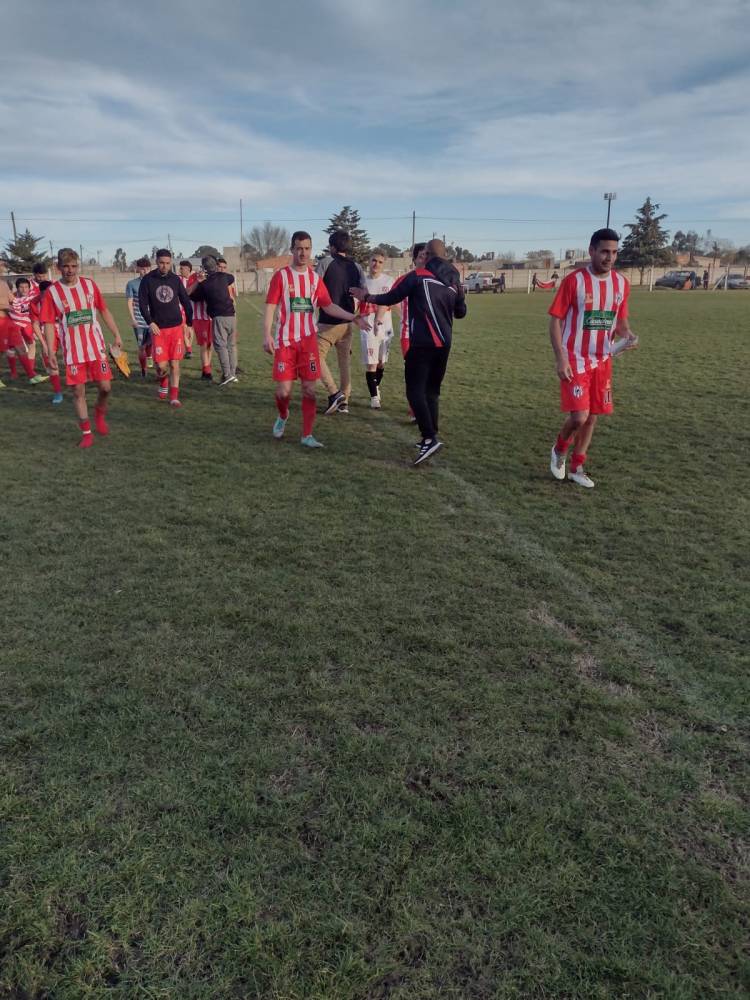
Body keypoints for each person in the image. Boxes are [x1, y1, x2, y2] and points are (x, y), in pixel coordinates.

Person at [350, 238, 466, 466]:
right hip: (444, 344)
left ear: (428, 255)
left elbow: (390, 298)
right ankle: (431, 435)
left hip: (422, 343)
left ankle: (429, 438)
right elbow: (461, 312)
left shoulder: (418, 276)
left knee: (415, 391)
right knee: (432, 391)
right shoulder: (454, 281)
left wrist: (365, 296)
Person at [548, 228, 637, 489]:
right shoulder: (574, 281)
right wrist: (560, 358)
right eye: (605, 251)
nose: (610, 257)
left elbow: (620, 322)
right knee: (579, 416)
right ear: (592, 251)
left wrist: (628, 336)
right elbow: (555, 321)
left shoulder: (621, 284)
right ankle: (559, 449)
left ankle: (577, 467)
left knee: (592, 417)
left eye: (614, 252)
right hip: (575, 359)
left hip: (603, 361)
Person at [263, 231, 367, 448]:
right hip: (286, 342)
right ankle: (283, 415)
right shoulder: (281, 276)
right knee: (283, 392)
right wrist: (267, 335)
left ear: (311, 250)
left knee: (309, 390)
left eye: (307, 248)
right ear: (292, 250)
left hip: (308, 342)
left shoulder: (314, 279)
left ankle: (307, 435)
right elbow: (271, 306)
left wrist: (353, 317)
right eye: (299, 248)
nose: (303, 253)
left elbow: (328, 305)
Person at [41, 248, 123, 448]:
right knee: (78, 392)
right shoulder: (52, 292)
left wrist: (117, 334)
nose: (70, 270)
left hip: (96, 348)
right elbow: (49, 323)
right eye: (66, 266)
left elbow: (103, 310)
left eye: (73, 266)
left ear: (78, 266)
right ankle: (87, 433)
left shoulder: (89, 285)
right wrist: (51, 351)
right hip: (73, 352)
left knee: (106, 387)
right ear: (58, 267)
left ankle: (99, 413)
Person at [315, 230, 366, 414]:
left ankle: (334, 393)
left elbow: (314, 286)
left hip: (328, 321)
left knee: (314, 356)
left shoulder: (325, 262)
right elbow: (363, 292)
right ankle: (345, 400)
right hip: (347, 321)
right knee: (344, 362)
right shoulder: (357, 267)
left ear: (332, 247)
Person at [138, 248, 193, 407]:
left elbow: (186, 301)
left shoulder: (175, 280)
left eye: (168, 263)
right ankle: (163, 382)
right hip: (158, 329)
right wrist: (150, 322)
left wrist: (189, 324)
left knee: (174, 364)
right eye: (161, 263)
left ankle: (174, 397)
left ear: (171, 263)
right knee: (161, 367)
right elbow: (142, 304)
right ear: (156, 262)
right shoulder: (148, 280)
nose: (164, 266)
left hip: (175, 327)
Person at [391, 242, 427, 422]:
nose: (424, 259)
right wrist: (403, 316)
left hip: (430, 336)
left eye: (427, 256)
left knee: (428, 373)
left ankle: (425, 408)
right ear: (414, 259)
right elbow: (390, 298)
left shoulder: (434, 279)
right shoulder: (405, 279)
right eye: (421, 256)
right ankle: (415, 411)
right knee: (414, 373)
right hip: (408, 336)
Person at [189, 256, 237, 386]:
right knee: (231, 345)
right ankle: (232, 373)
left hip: (218, 317)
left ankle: (227, 374)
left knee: (220, 346)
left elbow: (193, 296)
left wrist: (199, 281)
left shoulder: (205, 284)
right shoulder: (224, 277)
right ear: (216, 266)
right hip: (231, 315)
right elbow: (231, 278)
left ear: (204, 268)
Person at [359, 251, 395, 408]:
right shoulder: (362, 282)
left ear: (383, 264)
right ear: (369, 261)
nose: (376, 264)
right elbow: (356, 302)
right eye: (374, 260)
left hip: (385, 327)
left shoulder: (389, 281)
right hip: (367, 326)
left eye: (380, 262)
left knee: (381, 363)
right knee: (371, 363)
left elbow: (386, 303)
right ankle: (374, 398)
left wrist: (379, 320)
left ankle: (376, 386)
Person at [0, 275, 48, 386]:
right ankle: (15, 373)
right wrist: (6, 306)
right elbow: (7, 304)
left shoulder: (3, 283)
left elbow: (13, 300)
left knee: (21, 348)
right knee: (2, 351)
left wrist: (18, 304)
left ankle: (32, 376)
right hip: (1, 321)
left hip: (9, 321)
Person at [30, 279, 64, 403]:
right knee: (49, 360)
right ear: (41, 293)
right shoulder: (34, 303)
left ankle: (81, 384)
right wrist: (44, 344)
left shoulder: (61, 298)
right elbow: (35, 324)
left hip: (64, 329)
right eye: (46, 294)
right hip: (48, 331)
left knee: (74, 358)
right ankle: (58, 392)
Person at [125, 257, 153, 377]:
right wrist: (133, 319)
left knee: (150, 345)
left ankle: (150, 360)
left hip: (152, 321)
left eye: (147, 268)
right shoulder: (131, 284)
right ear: (138, 269)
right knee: (141, 346)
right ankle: (144, 369)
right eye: (142, 269)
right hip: (139, 322)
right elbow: (130, 302)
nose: (145, 271)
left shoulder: (153, 282)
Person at [178, 260, 196, 359]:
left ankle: (189, 349)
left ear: (188, 269)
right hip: (181, 308)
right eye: (180, 268)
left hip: (192, 308)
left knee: (190, 329)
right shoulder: (178, 279)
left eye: (182, 268)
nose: (180, 270)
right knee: (184, 328)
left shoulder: (194, 279)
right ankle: (188, 349)